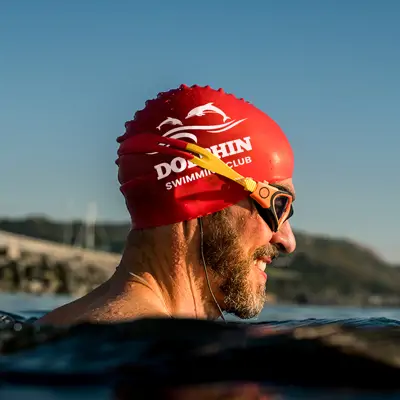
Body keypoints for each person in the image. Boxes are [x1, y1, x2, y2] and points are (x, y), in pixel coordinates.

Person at [37, 84, 296, 326]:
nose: (287, 240)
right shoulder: (163, 358)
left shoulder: (52, 327)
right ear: (195, 195)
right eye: (279, 204)